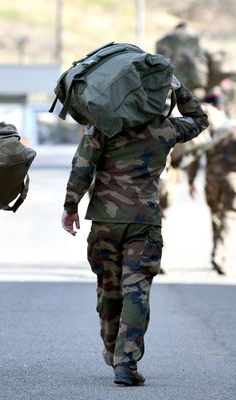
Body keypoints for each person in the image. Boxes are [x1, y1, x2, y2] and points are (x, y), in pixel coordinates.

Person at [61, 76, 208, 386]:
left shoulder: (104, 123)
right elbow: (199, 119)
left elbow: (82, 165)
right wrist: (177, 87)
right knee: (136, 291)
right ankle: (126, 362)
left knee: (108, 288)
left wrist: (70, 205)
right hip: (144, 222)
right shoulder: (164, 128)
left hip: (106, 222)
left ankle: (112, 349)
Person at [187, 93, 236, 275]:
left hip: (211, 178)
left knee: (215, 215)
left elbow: (195, 154)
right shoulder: (235, 127)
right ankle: (220, 253)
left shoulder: (206, 129)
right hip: (233, 178)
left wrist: (191, 180)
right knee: (229, 216)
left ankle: (217, 252)